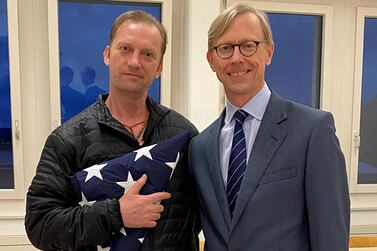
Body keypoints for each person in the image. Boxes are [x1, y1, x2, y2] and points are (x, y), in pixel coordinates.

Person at [25, 10, 200, 251]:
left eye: (147, 54)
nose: (135, 62)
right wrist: (115, 213)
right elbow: (40, 225)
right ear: (108, 55)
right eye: (125, 49)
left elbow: (202, 215)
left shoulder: (184, 135)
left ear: (159, 67)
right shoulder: (67, 140)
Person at [189, 2, 350, 251]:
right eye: (225, 48)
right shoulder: (199, 147)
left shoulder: (312, 131)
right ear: (211, 60)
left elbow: (330, 238)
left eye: (248, 46)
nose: (236, 58)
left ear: (269, 52)